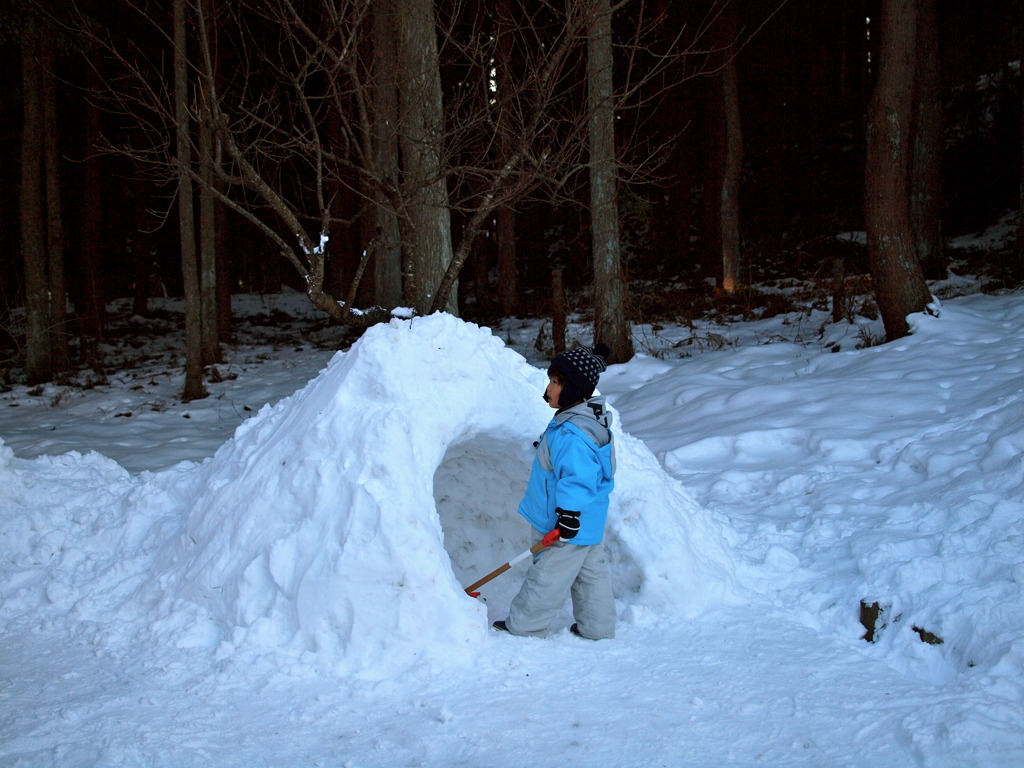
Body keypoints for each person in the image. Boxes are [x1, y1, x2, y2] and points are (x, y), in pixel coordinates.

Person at [493, 343, 616, 640]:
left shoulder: (573, 435)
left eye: (556, 383)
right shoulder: (581, 420)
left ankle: (525, 626)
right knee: (591, 574)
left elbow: (577, 478)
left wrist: (568, 515)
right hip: (589, 520)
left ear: (574, 390)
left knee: (547, 576)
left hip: (566, 523)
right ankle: (597, 628)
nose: (548, 388)